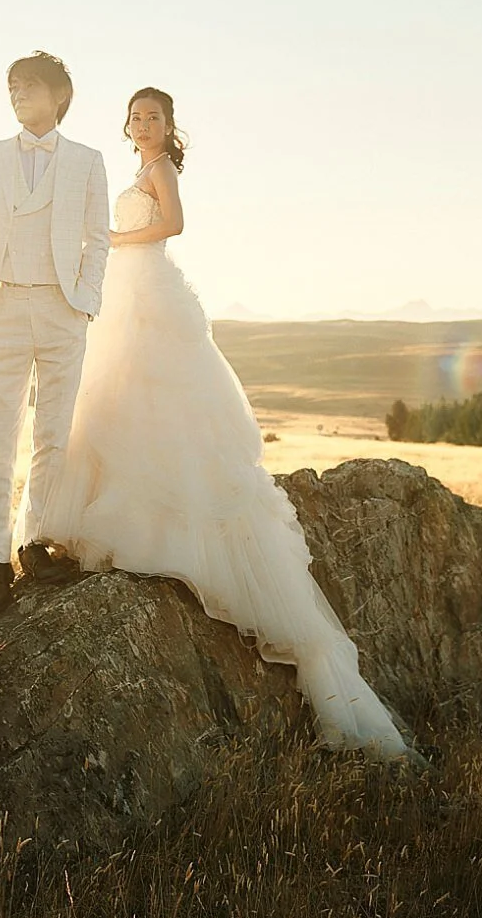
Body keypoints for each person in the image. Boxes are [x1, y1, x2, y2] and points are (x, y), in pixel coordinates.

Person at [22, 87, 417, 760]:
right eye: (136, 116)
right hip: (127, 289)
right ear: (127, 124)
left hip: (149, 288)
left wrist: (113, 237)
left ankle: (156, 527)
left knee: (153, 399)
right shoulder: (134, 172)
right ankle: (94, 514)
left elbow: (173, 226)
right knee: (112, 397)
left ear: (169, 127)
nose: (143, 124)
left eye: (154, 116)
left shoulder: (161, 172)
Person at [0, 51, 112, 615]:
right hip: (0, 310)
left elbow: (98, 238)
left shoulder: (88, 162)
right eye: (12, 87)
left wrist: (85, 302)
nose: (18, 95)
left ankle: (33, 542)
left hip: (61, 311)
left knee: (53, 436)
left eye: (28, 86)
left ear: (59, 95)